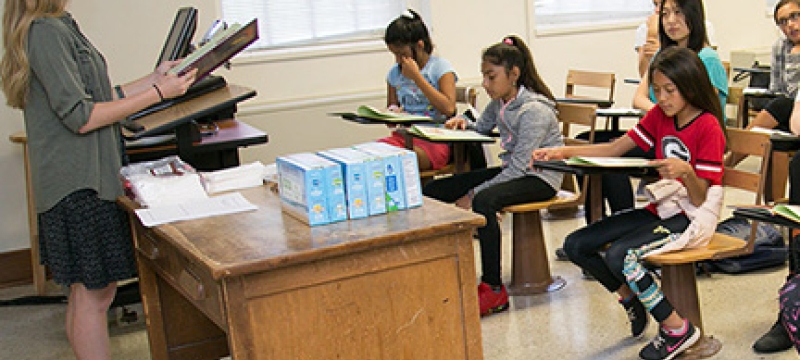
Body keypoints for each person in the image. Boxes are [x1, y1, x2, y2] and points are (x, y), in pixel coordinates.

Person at [0, 1, 196, 359]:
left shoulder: (59, 24)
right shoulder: (46, 32)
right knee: (94, 294)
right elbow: (82, 116)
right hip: (79, 185)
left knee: (89, 292)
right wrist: (158, 95)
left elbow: (97, 97)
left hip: (83, 179)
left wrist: (155, 79)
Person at [532, 46, 726, 360]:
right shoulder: (661, 116)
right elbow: (613, 149)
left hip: (692, 215)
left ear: (690, 86)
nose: (662, 98)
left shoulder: (708, 127)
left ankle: (678, 330)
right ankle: (630, 299)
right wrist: (560, 152)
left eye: (669, 91)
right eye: (657, 90)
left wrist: (687, 173)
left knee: (623, 256)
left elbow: (701, 198)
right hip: (662, 209)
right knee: (577, 244)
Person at [422, 35, 563, 317]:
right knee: (438, 190)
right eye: (484, 76)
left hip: (541, 178)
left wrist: (473, 195)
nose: (485, 84)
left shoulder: (534, 110)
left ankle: (493, 288)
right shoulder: (501, 102)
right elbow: (481, 129)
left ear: (514, 74)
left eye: (491, 76)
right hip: (516, 170)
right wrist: (465, 123)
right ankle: (437, 267)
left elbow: (521, 167)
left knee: (484, 200)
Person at [378, 9, 457, 171]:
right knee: (372, 157)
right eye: (395, 55)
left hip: (436, 140)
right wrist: (391, 113)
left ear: (420, 45)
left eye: (402, 54)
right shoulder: (394, 73)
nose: (398, 60)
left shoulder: (440, 68)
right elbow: (391, 110)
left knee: (402, 162)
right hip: (405, 137)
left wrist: (417, 78)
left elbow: (449, 109)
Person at [726, 0, 800, 168]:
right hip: (790, 112)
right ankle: (730, 162)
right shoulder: (780, 47)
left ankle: (729, 161)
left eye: (795, 16)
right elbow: (778, 89)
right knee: (778, 112)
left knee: (780, 106)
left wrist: (796, 59)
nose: (790, 25)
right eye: (783, 21)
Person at [634, 0, 717, 78]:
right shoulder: (660, 53)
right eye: (664, 13)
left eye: (678, 12)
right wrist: (652, 34)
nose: (671, 20)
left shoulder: (707, 58)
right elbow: (645, 82)